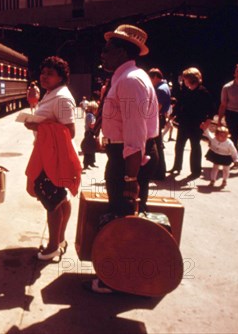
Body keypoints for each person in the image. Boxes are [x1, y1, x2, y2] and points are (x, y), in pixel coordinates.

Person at [85, 24, 159, 294]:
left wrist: (130, 178)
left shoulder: (130, 81)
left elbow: (136, 135)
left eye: (107, 49)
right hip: (125, 156)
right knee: (122, 218)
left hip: (129, 159)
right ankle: (120, 277)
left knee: (123, 220)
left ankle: (116, 280)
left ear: (121, 51)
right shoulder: (126, 78)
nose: (102, 54)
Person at [24, 56, 80, 262]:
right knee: (61, 198)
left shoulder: (63, 98)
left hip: (55, 158)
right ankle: (60, 240)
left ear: (61, 77)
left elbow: (70, 131)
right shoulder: (51, 94)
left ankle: (53, 246)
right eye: (43, 72)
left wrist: (38, 126)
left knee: (51, 201)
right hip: (48, 153)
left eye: (50, 74)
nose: (44, 77)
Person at [169, 67, 215, 178]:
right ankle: (177, 166)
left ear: (191, 79)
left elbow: (211, 109)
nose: (183, 81)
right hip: (184, 123)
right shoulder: (186, 91)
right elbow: (180, 105)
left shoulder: (203, 92)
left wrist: (207, 122)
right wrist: (173, 115)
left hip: (196, 124)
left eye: (185, 79)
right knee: (179, 145)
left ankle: (196, 170)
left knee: (195, 147)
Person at [148, 68, 172, 180]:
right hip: (160, 118)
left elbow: (157, 107)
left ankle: (158, 173)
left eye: (151, 79)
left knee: (156, 146)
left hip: (157, 118)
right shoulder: (165, 87)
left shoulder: (160, 89)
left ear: (156, 77)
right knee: (158, 145)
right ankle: (159, 172)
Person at [200, 124, 238, 188]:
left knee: (226, 169)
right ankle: (212, 180)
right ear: (216, 135)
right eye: (221, 135)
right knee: (215, 167)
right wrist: (204, 128)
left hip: (226, 157)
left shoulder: (229, 143)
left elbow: (234, 151)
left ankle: (224, 180)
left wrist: (236, 160)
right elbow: (208, 133)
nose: (223, 137)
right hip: (217, 155)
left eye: (225, 136)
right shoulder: (213, 139)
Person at [82, 101, 99, 170]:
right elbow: (91, 125)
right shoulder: (89, 115)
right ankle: (86, 164)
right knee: (88, 149)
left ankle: (91, 162)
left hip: (91, 133)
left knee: (92, 148)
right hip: (89, 133)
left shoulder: (91, 115)